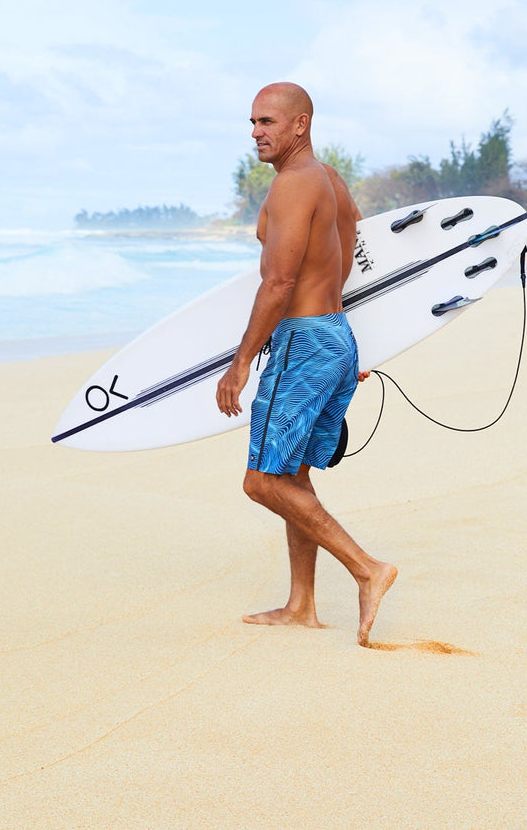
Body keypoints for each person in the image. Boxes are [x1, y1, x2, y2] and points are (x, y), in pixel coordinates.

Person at [216, 82, 397, 647]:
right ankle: (301, 605)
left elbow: (281, 280)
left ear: (301, 125)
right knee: (293, 474)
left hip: (301, 341)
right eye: (252, 123)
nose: (256, 133)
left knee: (262, 481)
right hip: (332, 336)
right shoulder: (332, 183)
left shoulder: (295, 186)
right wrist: (343, 351)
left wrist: (241, 362)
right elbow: (354, 259)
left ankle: (367, 569)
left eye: (267, 121)